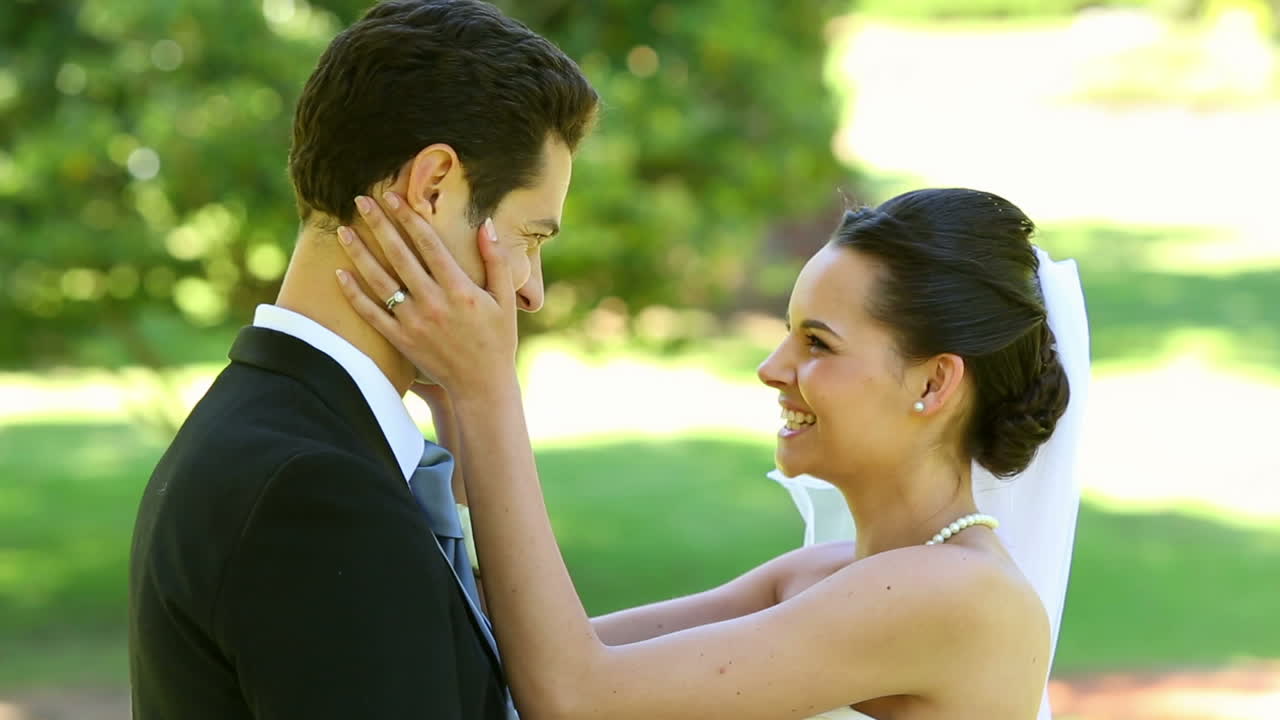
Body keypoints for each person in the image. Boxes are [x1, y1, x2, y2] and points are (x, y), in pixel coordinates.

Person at [334, 186, 1087, 719]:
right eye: (788, 332)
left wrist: (489, 390)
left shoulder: (956, 595)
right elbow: (517, 660)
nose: (772, 368)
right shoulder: (819, 575)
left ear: (933, 382)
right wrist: (460, 414)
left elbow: (574, 697)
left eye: (818, 343)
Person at [126, 1, 598, 718]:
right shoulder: (315, 491)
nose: (531, 291)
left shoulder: (265, 427)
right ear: (432, 187)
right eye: (529, 238)